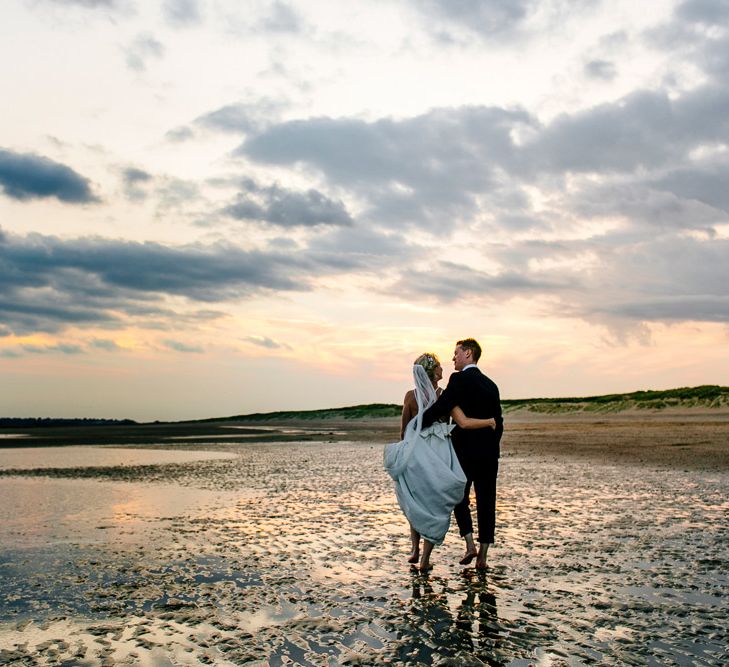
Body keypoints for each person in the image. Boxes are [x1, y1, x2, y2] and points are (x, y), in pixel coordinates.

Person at [384, 353, 496, 572]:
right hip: (439, 453)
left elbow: (404, 429)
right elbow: (461, 422)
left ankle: (415, 549)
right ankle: (425, 559)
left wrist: (405, 453)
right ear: (433, 371)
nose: (443, 367)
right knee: (434, 505)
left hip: (415, 452)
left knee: (415, 499)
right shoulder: (444, 395)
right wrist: (488, 422)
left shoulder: (410, 396)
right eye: (439, 366)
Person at [421, 339, 503, 570]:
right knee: (487, 501)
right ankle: (483, 557)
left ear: (468, 353)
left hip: (464, 452)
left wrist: (418, 425)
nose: (453, 358)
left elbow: (443, 405)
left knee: (459, 498)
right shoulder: (491, 385)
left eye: (456, 353)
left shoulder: (458, 379)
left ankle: (469, 544)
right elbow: (499, 422)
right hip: (489, 454)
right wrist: (491, 445)